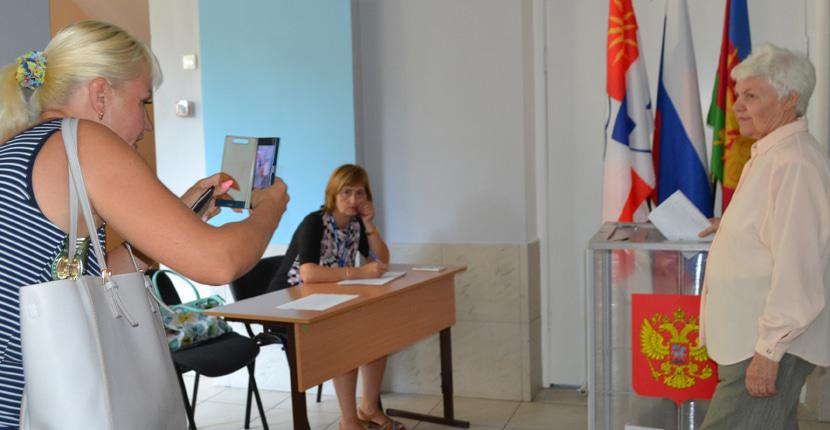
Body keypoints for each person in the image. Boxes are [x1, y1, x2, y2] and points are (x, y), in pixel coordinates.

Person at [0, 20, 289, 428]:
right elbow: (220, 262)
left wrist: (178, 218)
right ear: (100, 95)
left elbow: (81, 280)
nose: (147, 124)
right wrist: (270, 209)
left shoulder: (24, 148)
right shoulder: (82, 141)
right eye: (143, 102)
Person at [698, 43, 830, 429]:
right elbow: (777, 230)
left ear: (789, 100)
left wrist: (769, 351)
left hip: (765, 345)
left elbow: (797, 267)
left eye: (752, 96)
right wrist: (734, 227)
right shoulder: (773, 154)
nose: (738, 106)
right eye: (739, 95)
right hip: (751, 339)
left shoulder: (795, 163)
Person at [268, 164, 402, 430]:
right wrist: (359, 272)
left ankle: (369, 408)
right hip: (288, 303)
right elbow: (308, 273)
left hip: (326, 299)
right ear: (333, 194)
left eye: (360, 193)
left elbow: (382, 260)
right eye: (346, 192)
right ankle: (349, 421)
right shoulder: (314, 222)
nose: (353, 200)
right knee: (346, 340)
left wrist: (369, 223)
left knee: (378, 337)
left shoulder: (355, 225)